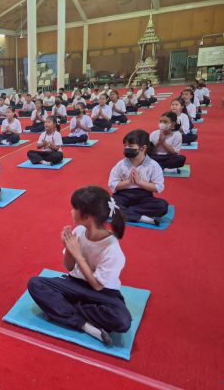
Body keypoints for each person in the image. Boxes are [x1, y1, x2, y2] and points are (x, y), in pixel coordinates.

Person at [27, 186, 131, 347]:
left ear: (87, 216)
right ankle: (86, 326)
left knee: (122, 320)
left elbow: (97, 286)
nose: (71, 211)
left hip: (102, 293)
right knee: (35, 284)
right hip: (74, 285)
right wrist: (68, 248)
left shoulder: (112, 249)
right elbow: (69, 267)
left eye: (74, 208)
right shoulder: (79, 231)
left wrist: (77, 254)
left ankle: (63, 308)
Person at [108, 129, 168, 226]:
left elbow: (158, 187)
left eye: (131, 146)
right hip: (122, 195)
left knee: (162, 206)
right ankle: (143, 218)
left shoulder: (153, 165)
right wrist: (128, 182)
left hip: (143, 197)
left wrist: (140, 182)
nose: (127, 148)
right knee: (107, 204)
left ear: (143, 148)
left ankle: (125, 212)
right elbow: (112, 184)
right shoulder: (121, 164)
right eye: (125, 146)